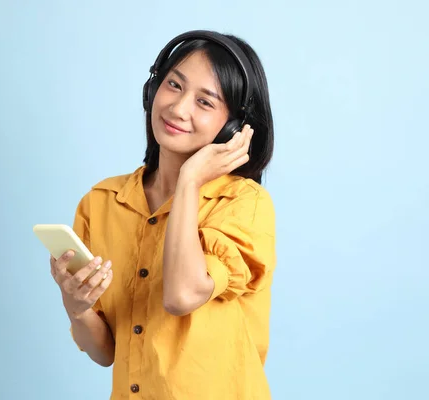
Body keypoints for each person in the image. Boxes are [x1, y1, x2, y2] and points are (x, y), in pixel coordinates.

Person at [49, 30, 276, 400]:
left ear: (233, 127)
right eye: (174, 85)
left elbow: (182, 295)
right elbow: (106, 352)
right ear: (152, 89)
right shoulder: (102, 202)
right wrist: (77, 307)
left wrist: (189, 181)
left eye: (205, 102)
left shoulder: (243, 204)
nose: (178, 108)